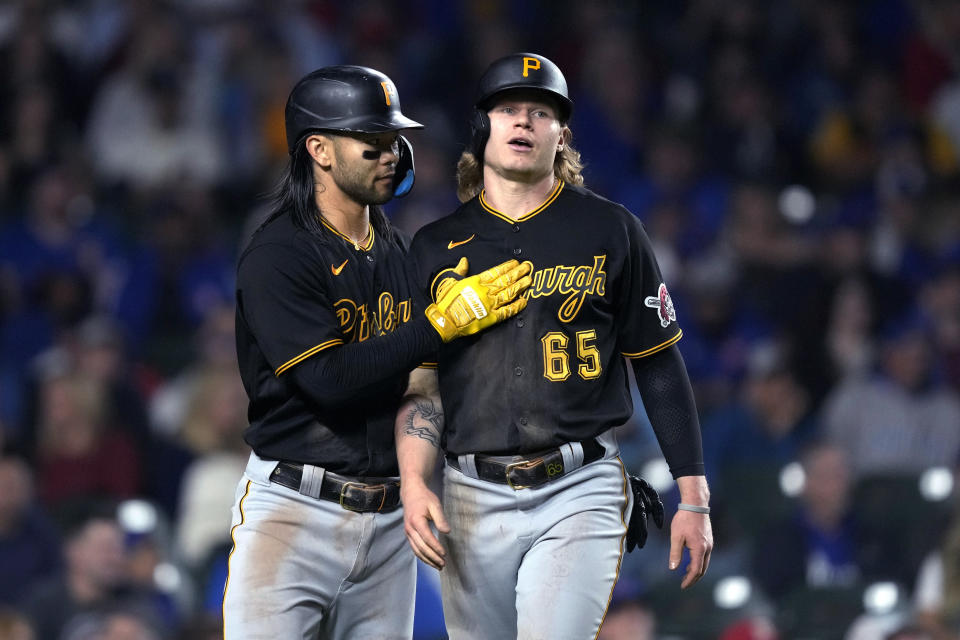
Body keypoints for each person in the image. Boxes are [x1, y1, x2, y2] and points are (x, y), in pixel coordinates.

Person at [397, 52, 713, 640]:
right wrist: (415, 483)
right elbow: (422, 389)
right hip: (470, 492)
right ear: (482, 127)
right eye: (509, 109)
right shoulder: (435, 248)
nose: (523, 122)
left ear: (560, 134)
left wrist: (693, 498)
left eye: (541, 112)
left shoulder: (612, 230)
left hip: (579, 485)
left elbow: (660, 368)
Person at [223, 65, 531, 640]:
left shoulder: (395, 250)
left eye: (396, 139)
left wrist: (417, 482)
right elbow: (331, 380)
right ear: (319, 149)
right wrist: (440, 323)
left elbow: (419, 381)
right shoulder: (278, 255)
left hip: (390, 520)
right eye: (373, 141)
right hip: (296, 512)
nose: (393, 153)